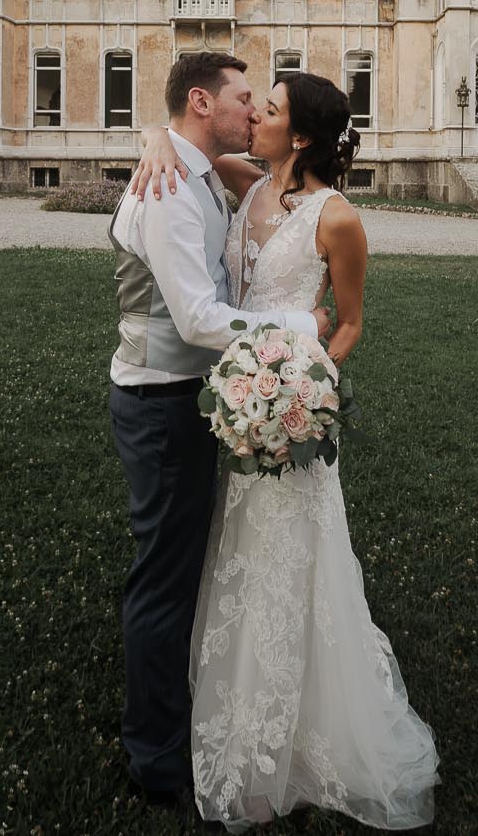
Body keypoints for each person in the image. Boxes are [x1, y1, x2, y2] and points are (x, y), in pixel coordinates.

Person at [132, 70, 439, 831]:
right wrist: (149, 140)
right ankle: (237, 718)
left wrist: (306, 393)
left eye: (266, 110)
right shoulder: (248, 183)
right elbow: (181, 144)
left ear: (298, 135)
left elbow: (349, 321)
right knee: (234, 560)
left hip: (288, 417)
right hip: (242, 411)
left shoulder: (338, 218)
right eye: (253, 105)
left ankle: (305, 736)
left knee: (297, 575)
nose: (252, 119)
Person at [107, 53, 333, 816]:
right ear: (204, 103)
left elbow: (231, 160)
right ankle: (154, 755)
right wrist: (302, 325)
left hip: (188, 396)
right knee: (164, 578)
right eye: (243, 99)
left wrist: (156, 133)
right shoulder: (172, 189)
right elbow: (200, 319)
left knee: (181, 564)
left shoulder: (201, 170)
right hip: (161, 398)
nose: (252, 113)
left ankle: (185, 714)